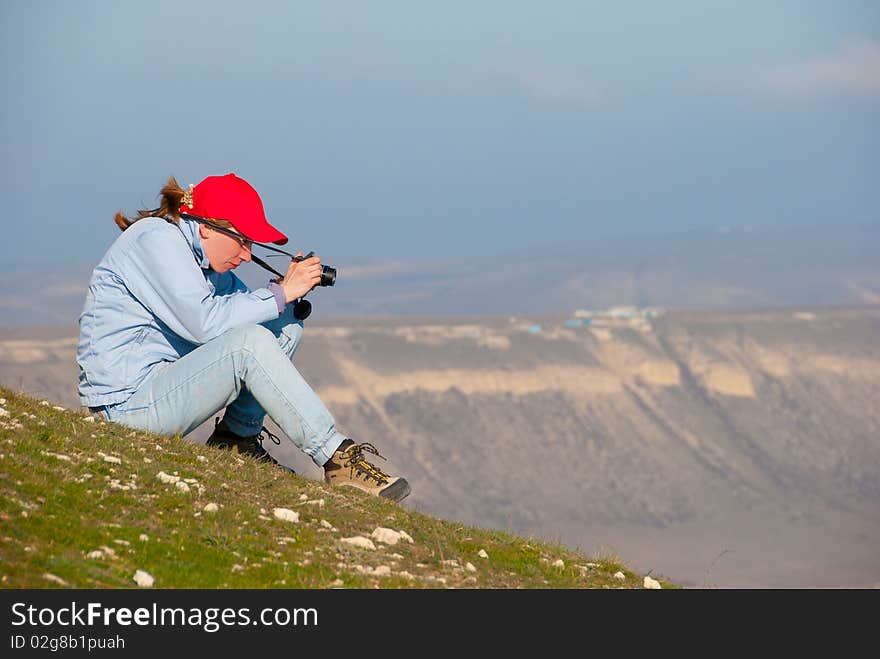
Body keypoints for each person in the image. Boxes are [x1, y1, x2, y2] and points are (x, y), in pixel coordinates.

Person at [76, 172, 410, 502]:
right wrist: (280, 292)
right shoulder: (156, 240)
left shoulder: (202, 257)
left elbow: (244, 316)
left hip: (160, 389)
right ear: (207, 225)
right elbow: (206, 325)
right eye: (244, 240)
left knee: (285, 322)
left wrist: (284, 296)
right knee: (252, 341)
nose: (248, 255)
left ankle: (237, 441)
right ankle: (338, 459)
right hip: (123, 410)